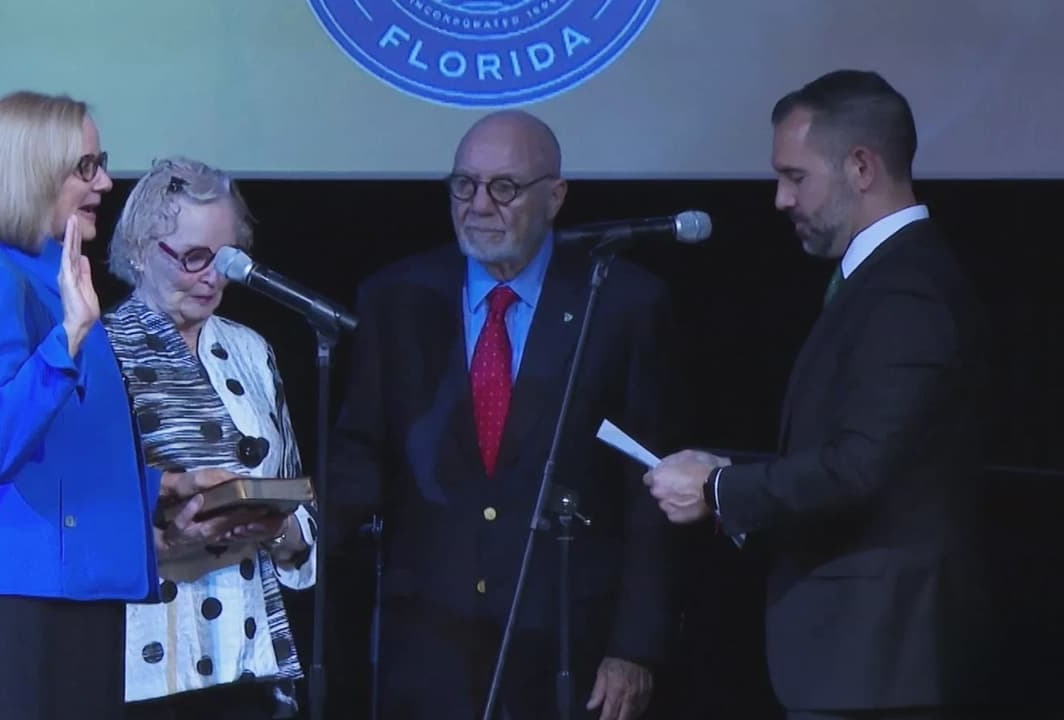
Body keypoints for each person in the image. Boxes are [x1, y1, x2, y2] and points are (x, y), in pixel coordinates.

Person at [644, 69, 992, 720]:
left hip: (879, 663)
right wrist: (726, 471)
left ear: (861, 166)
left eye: (795, 177)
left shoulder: (907, 290)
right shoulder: (881, 281)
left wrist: (722, 491)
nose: (780, 199)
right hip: (859, 660)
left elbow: (860, 468)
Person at [328, 110, 682, 720]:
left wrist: (634, 647)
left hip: (567, 643)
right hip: (427, 645)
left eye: (504, 188)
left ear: (555, 195)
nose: (478, 205)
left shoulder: (623, 302)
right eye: (463, 185)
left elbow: (648, 487)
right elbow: (362, 451)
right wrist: (294, 527)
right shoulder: (396, 298)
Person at [0, 90, 201, 720]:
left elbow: (77, 448)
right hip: (10, 597)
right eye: (85, 168)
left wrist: (166, 489)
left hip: (81, 588)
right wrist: (67, 337)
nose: (105, 181)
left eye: (102, 162)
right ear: (30, 171)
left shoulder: (59, 276)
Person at [102, 157, 317, 720]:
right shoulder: (101, 351)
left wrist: (281, 526)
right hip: (149, 659)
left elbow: (299, 501)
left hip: (249, 653)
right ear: (141, 250)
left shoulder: (252, 350)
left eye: (226, 258)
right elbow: (85, 516)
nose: (213, 276)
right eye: (195, 257)